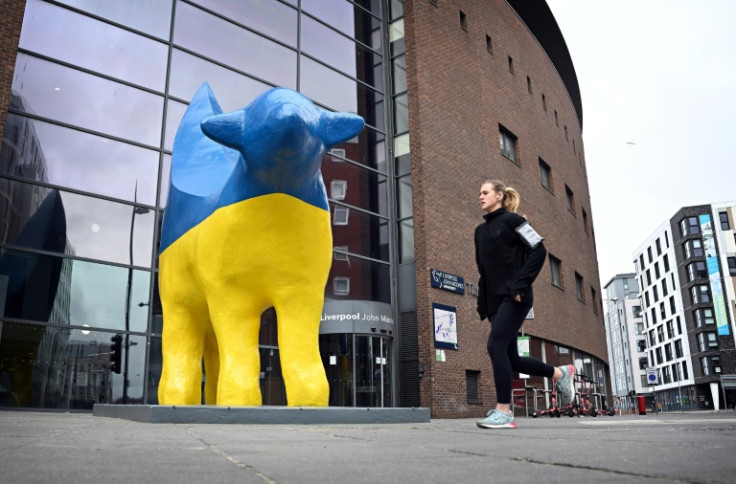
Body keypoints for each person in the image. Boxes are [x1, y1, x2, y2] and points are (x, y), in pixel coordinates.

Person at [474, 179, 575, 429]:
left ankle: (504, 412)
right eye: (480, 193)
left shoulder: (514, 221)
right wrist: (482, 302)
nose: (480, 196)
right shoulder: (480, 231)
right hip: (495, 302)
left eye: (485, 192)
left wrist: (520, 285)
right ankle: (560, 374)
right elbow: (485, 270)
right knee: (513, 360)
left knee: (495, 346)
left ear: (499, 196)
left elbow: (539, 250)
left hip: (516, 297)